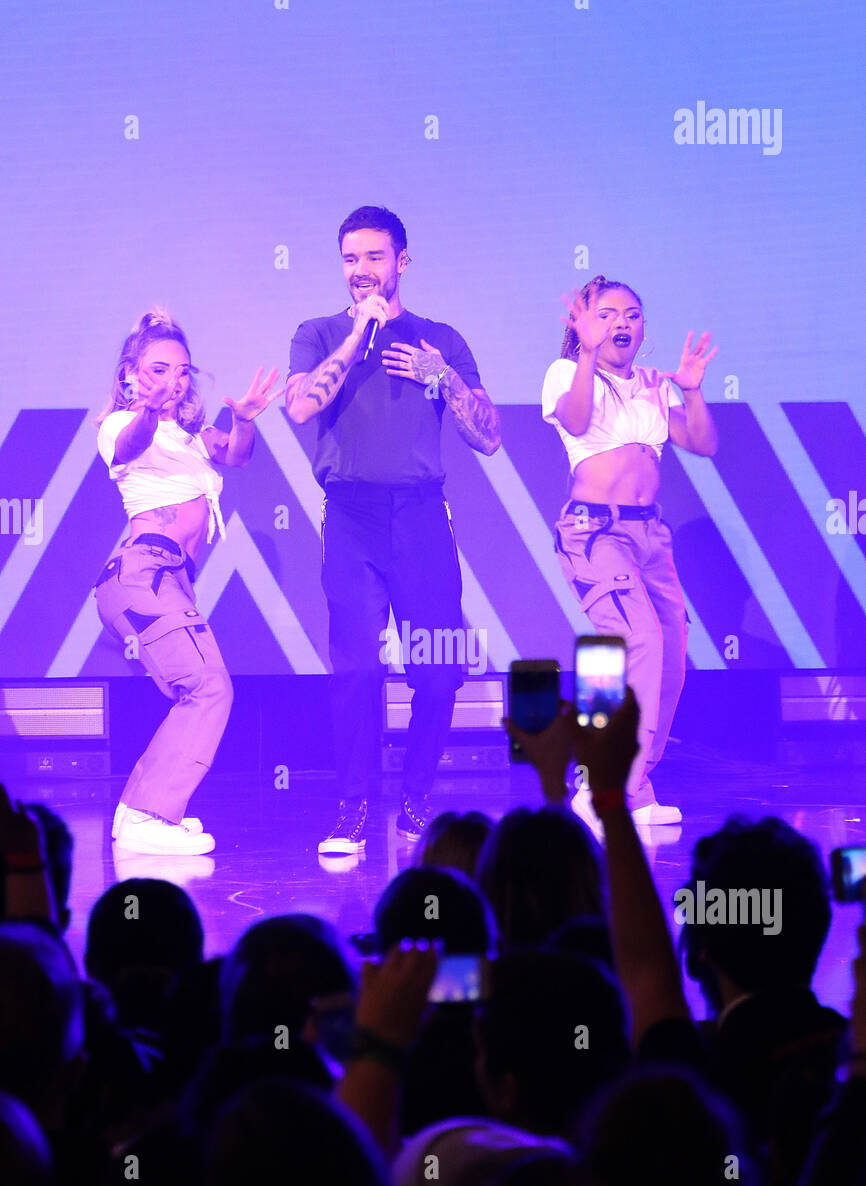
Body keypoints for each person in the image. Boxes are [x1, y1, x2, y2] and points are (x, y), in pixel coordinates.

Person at [287, 206, 500, 854]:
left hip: (420, 519)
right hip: (351, 517)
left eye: (374, 257)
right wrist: (357, 339)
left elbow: (488, 437)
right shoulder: (320, 333)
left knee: (437, 671)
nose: (361, 271)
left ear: (401, 261)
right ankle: (353, 805)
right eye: (350, 258)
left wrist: (446, 377)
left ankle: (416, 796)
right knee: (355, 670)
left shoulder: (439, 339)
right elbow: (299, 405)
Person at [94, 309, 281, 854]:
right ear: (131, 372)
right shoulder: (120, 425)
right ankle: (151, 813)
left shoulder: (191, 436)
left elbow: (238, 455)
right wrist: (146, 409)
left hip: (170, 580)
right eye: (158, 369)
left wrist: (245, 418)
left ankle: (140, 814)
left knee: (199, 689)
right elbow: (130, 444)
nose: (173, 381)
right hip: (142, 575)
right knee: (208, 688)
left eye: (182, 371)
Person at [542, 275, 718, 827]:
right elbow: (574, 420)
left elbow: (703, 444)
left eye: (633, 314)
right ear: (582, 323)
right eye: (608, 312)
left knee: (670, 651)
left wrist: (689, 389)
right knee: (637, 641)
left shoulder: (650, 383)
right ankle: (600, 783)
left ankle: (636, 784)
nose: (623, 322)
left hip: (650, 536)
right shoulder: (567, 374)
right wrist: (588, 355)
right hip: (594, 533)